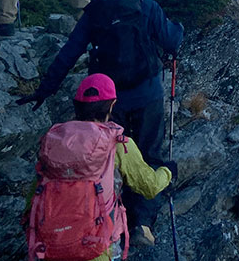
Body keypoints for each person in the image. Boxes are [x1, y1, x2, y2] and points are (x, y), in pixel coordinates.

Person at [18, 0, 184, 247]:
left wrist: (45, 90)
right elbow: (171, 42)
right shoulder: (148, 7)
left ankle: (102, 215)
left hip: (107, 101)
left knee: (107, 156)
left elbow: (70, 53)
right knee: (148, 153)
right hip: (148, 95)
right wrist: (178, 28)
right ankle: (142, 222)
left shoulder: (94, 11)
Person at [27, 73, 174, 261]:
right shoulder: (118, 144)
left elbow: (34, 198)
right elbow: (149, 186)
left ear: (77, 105)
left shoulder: (54, 141)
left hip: (49, 247)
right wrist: (168, 172)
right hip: (97, 248)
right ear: (112, 105)